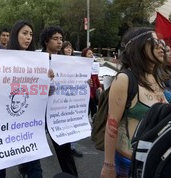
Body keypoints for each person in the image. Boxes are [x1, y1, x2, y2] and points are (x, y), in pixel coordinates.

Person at [101, 27, 169, 178]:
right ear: (139, 46)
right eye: (154, 41)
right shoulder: (125, 79)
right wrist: (108, 166)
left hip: (152, 164)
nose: (161, 46)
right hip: (128, 166)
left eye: (160, 42)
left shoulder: (156, 78)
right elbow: (112, 124)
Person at [0, 20, 43, 178]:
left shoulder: (37, 61)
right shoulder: (0, 59)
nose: (28, 37)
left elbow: (41, 92)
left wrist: (48, 81)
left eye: (30, 34)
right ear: (16, 35)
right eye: (24, 33)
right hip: (3, 123)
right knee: (0, 162)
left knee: (35, 166)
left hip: (28, 124)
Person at [40, 26, 78, 177]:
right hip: (39, 111)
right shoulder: (36, 60)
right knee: (30, 142)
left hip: (58, 112)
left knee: (64, 148)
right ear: (46, 41)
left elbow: (73, 82)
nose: (59, 42)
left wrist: (84, 84)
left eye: (61, 39)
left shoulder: (65, 62)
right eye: (55, 39)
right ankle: (25, 167)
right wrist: (43, 89)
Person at [60, 41, 83, 158]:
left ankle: (72, 147)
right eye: (66, 48)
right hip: (61, 98)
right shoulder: (57, 61)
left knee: (73, 123)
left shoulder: (77, 62)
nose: (69, 50)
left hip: (73, 98)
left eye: (70, 48)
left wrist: (86, 82)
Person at [81, 47, 102, 117]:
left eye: (92, 53)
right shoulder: (81, 66)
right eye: (89, 54)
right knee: (93, 109)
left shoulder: (94, 66)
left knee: (92, 110)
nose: (91, 55)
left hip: (93, 91)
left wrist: (99, 87)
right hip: (86, 92)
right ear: (84, 56)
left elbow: (96, 78)